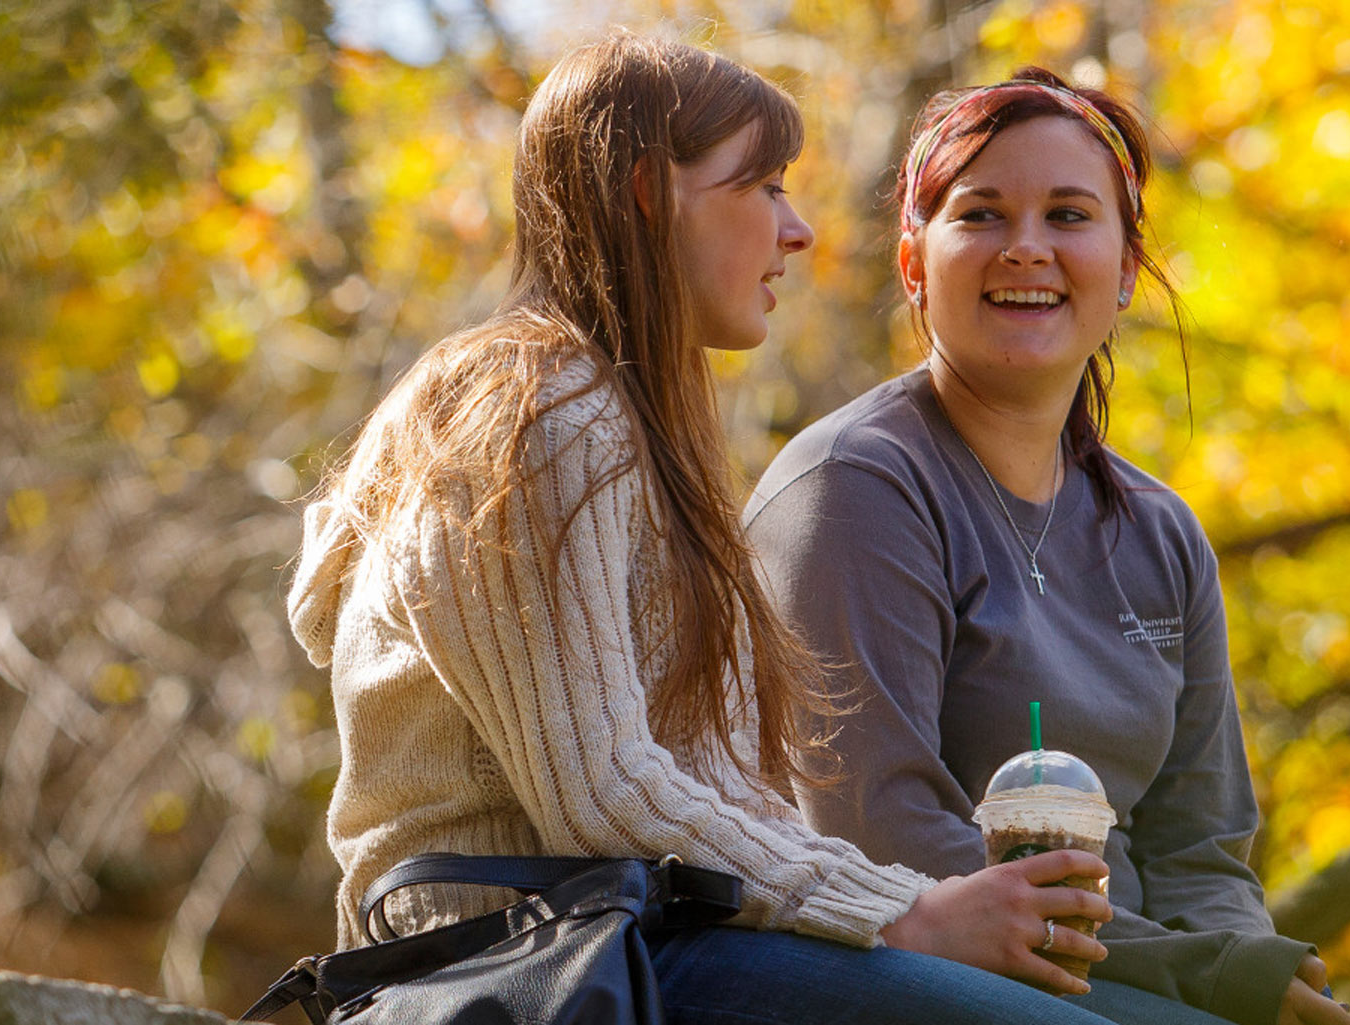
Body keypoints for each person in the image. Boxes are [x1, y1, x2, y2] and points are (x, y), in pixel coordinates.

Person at [287, 34, 1124, 1025]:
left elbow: (724, 800)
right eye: (763, 187)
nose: (799, 229)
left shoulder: (621, 423)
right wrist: (908, 910)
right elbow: (602, 791)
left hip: (636, 942)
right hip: (528, 964)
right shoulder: (533, 409)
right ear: (650, 191)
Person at [742, 69, 1350, 1025]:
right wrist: (1208, 977)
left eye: (1070, 215)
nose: (1025, 247)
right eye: (981, 214)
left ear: (1126, 269)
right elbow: (883, 833)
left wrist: (1247, 976)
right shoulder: (855, 488)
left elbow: (1200, 853)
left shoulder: (1161, 535)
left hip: (1135, 985)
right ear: (914, 264)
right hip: (910, 980)